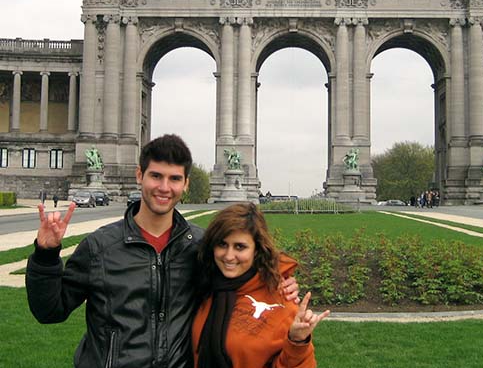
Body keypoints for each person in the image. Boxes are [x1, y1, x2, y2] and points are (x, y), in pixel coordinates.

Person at [26, 134, 298, 368]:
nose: (164, 188)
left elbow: (241, 281)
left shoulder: (200, 247)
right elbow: (50, 311)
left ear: (186, 183)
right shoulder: (100, 247)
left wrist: (280, 282)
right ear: (139, 175)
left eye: (174, 178)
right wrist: (46, 255)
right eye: (156, 176)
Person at [192, 203, 329, 368]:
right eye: (222, 244)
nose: (229, 256)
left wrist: (297, 342)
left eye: (240, 247)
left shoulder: (282, 299)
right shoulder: (204, 285)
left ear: (257, 250)